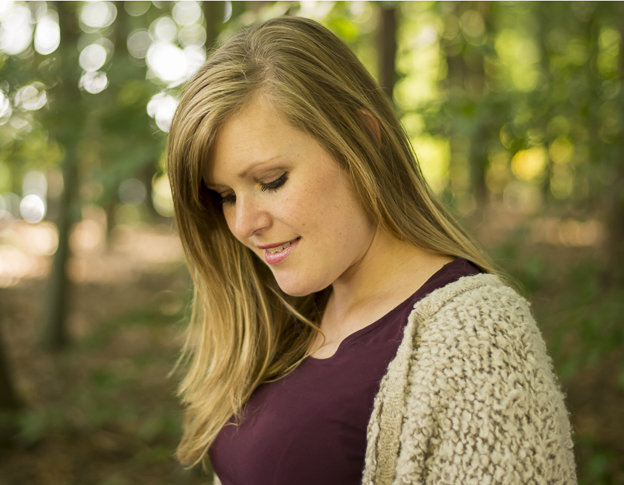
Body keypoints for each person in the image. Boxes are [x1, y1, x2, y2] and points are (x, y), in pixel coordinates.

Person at [165, 17, 576, 484]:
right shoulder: (284, 315)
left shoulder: (478, 337)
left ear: (362, 140)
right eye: (226, 195)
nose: (243, 224)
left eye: (271, 181)